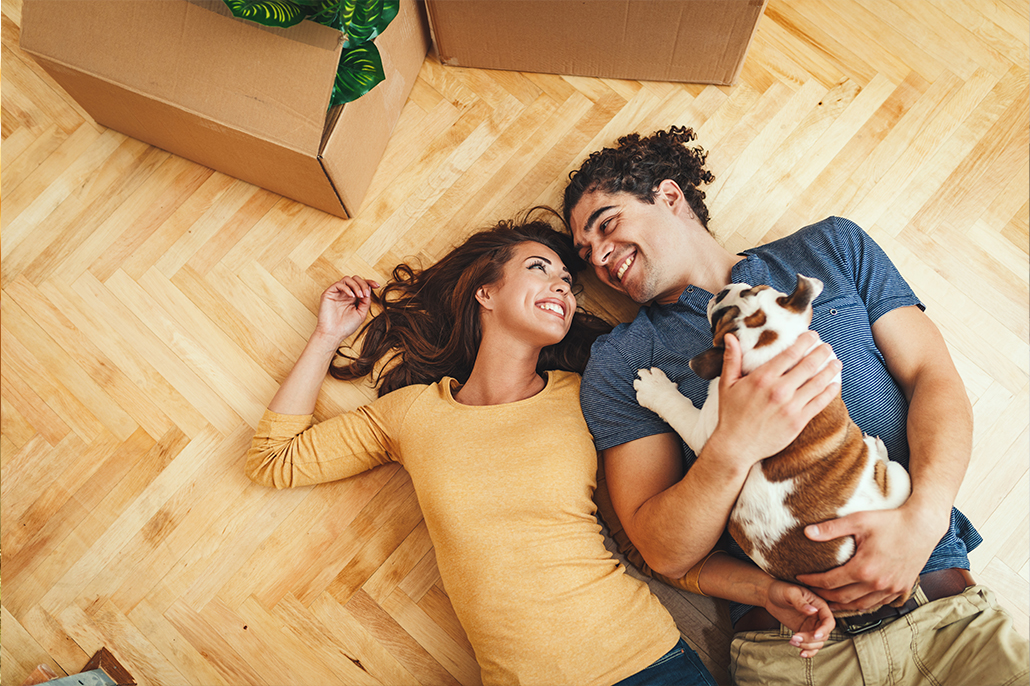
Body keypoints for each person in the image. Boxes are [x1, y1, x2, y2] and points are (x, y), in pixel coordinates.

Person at [562, 126, 1030, 685]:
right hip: (797, 655)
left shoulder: (831, 248)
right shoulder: (622, 362)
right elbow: (661, 549)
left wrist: (924, 517)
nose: (600, 256)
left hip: (946, 618)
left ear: (669, 195)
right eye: (586, 253)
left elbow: (935, 379)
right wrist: (732, 446)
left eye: (607, 224)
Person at [244, 218, 728, 686]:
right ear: (487, 291)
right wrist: (328, 336)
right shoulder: (413, 414)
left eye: (566, 281)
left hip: (647, 662)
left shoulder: (585, 396)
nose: (561, 287)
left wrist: (766, 590)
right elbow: (274, 459)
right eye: (540, 268)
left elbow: (642, 544)